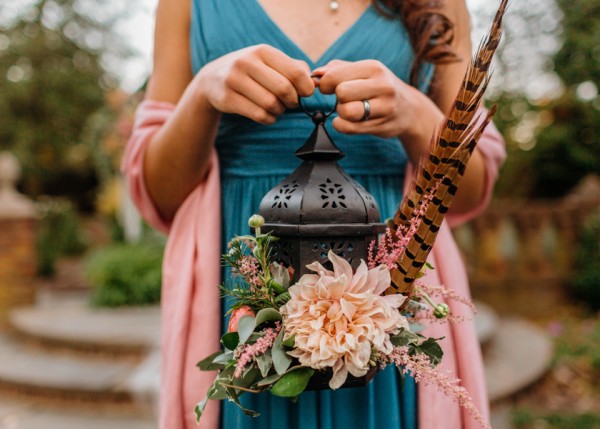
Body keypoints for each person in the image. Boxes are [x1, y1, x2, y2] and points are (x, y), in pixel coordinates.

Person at [122, 0, 506, 428]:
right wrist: (202, 94)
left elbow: (468, 191)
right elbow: (159, 194)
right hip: (241, 276)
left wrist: (416, 116)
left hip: (391, 279)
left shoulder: (441, 5)